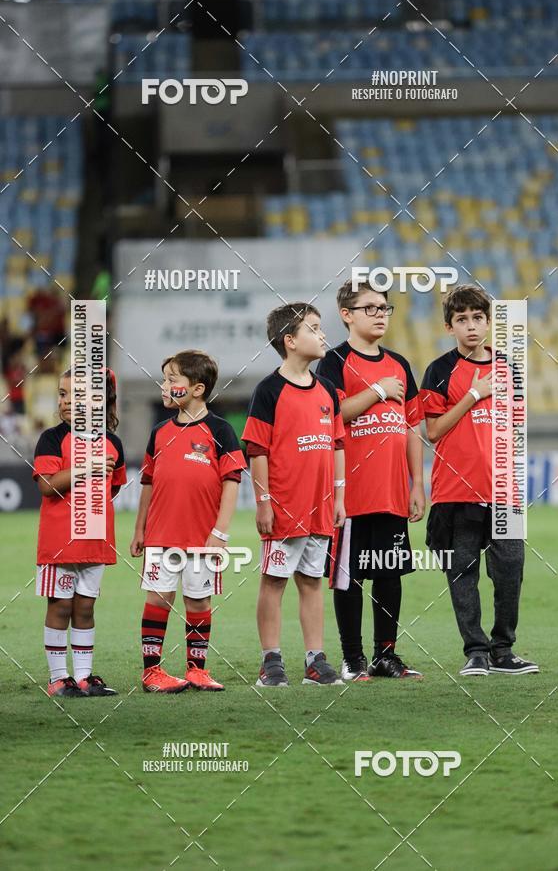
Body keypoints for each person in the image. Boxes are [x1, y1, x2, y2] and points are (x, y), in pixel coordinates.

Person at [420, 285, 538, 676]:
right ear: (449, 326)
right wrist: (473, 394)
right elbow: (433, 431)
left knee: (510, 572)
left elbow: (515, 428)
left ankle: (503, 650)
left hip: (503, 492)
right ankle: (475, 651)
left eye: (477, 318)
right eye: (461, 319)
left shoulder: (509, 368)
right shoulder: (439, 370)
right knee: (462, 574)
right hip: (456, 492)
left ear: (488, 322)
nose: (470, 326)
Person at [316, 280, 425, 682]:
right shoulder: (334, 362)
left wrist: (417, 483)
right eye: (370, 308)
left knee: (389, 573)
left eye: (384, 308)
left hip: (392, 490)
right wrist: (378, 390)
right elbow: (331, 415)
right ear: (346, 315)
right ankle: (353, 658)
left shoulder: (399, 363)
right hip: (351, 493)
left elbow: (412, 427)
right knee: (349, 576)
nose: (380, 315)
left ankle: (386, 656)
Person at [130, 350, 246, 694]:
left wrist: (220, 532)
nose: (164, 386)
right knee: (158, 599)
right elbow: (148, 483)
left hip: (202, 538)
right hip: (160, 535)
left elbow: (232, 482)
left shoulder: (220, 431)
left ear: (197, 389)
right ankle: (152, 672)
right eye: (164, 379)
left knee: (198, 601)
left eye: (172, 380)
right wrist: (139, 528)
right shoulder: (159, 432)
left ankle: (197, 670)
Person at [242, 303, 345, 687]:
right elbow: (257, 451)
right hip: (284, 508)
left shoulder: (328, 390)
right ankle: (270, 661)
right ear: (290, 340)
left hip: (321, 507)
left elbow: (337, 445)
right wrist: (264, 503)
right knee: (274, 580)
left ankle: (315, 661)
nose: (322, 335)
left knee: (312, 581)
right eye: (313, 328)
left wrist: (339, 498)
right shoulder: (268, 390)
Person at [33, 367, 126, 697]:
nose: (66, 401)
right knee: (60, 606)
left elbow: (114, 487)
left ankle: (84, 677)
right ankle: (59, 678)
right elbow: (47, 486)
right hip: (59, 543)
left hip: (94, 542)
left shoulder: (112, 442)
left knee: (85, 609)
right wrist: (88, 467)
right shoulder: (52, 438)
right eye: (62, 394)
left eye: (75, 395)